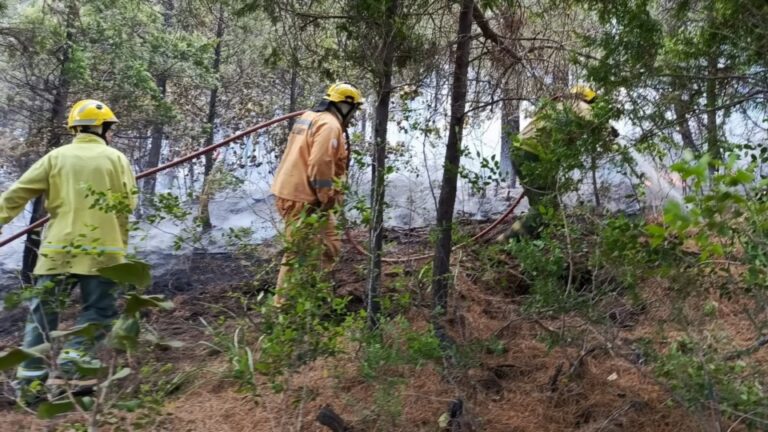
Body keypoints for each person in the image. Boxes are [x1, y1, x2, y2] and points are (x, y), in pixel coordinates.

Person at [0, 99, 137, 401]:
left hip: (56, 252)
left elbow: (16, 194)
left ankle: (30, 387)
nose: (111, 135)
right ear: (101, 128)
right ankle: (71, 368)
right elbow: (129, 204)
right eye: (110, 129)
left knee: (41, 317)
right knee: (99, 312)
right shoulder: (116, 159)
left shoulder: (55, 158)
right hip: (104, 254)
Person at [270, 82, 363, 305]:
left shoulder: (309, 116)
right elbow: (320, 163)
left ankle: (313, 298)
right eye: (354, 109)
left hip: (296, 192)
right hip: (304, 198)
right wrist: (327, 196)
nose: (354, 115)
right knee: (298, 252)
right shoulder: (330, 125)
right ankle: (284, 308)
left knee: (329, 244)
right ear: (344, 105)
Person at [502, 85, 610, 240]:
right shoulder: (577, 105)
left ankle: (532, 242)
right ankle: (508, 240)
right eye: (592, 103)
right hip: (533, 155)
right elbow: (590, 117)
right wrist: (607, 129)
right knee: (545, 208)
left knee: (543, 205)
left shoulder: (558, 108)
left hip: (522, 152)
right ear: (588, 99)